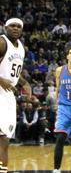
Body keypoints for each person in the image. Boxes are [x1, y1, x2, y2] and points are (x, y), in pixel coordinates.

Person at [0, 18, 31, 173]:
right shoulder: (2, 42)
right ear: (5, 27)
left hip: (8, 96)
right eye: (12, 25)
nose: (15, 28)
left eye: (19, 26)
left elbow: (14, 73)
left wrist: (24, 83)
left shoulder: (21, 49)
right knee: (2, 139)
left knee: (5, 139)